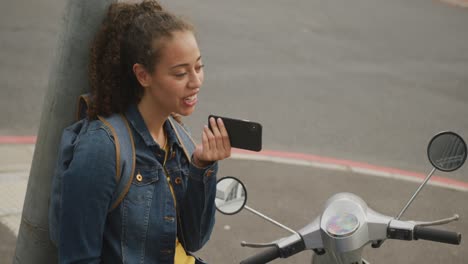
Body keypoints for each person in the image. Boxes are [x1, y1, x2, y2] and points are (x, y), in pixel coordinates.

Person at [56, 1, 231, 263]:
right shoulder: (101, 149)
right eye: (181, 73)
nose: (196, 82)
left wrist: (202, 166)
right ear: (143, 75)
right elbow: (77, 258)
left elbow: (194, 239)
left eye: (199, 67)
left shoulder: (177, 137)